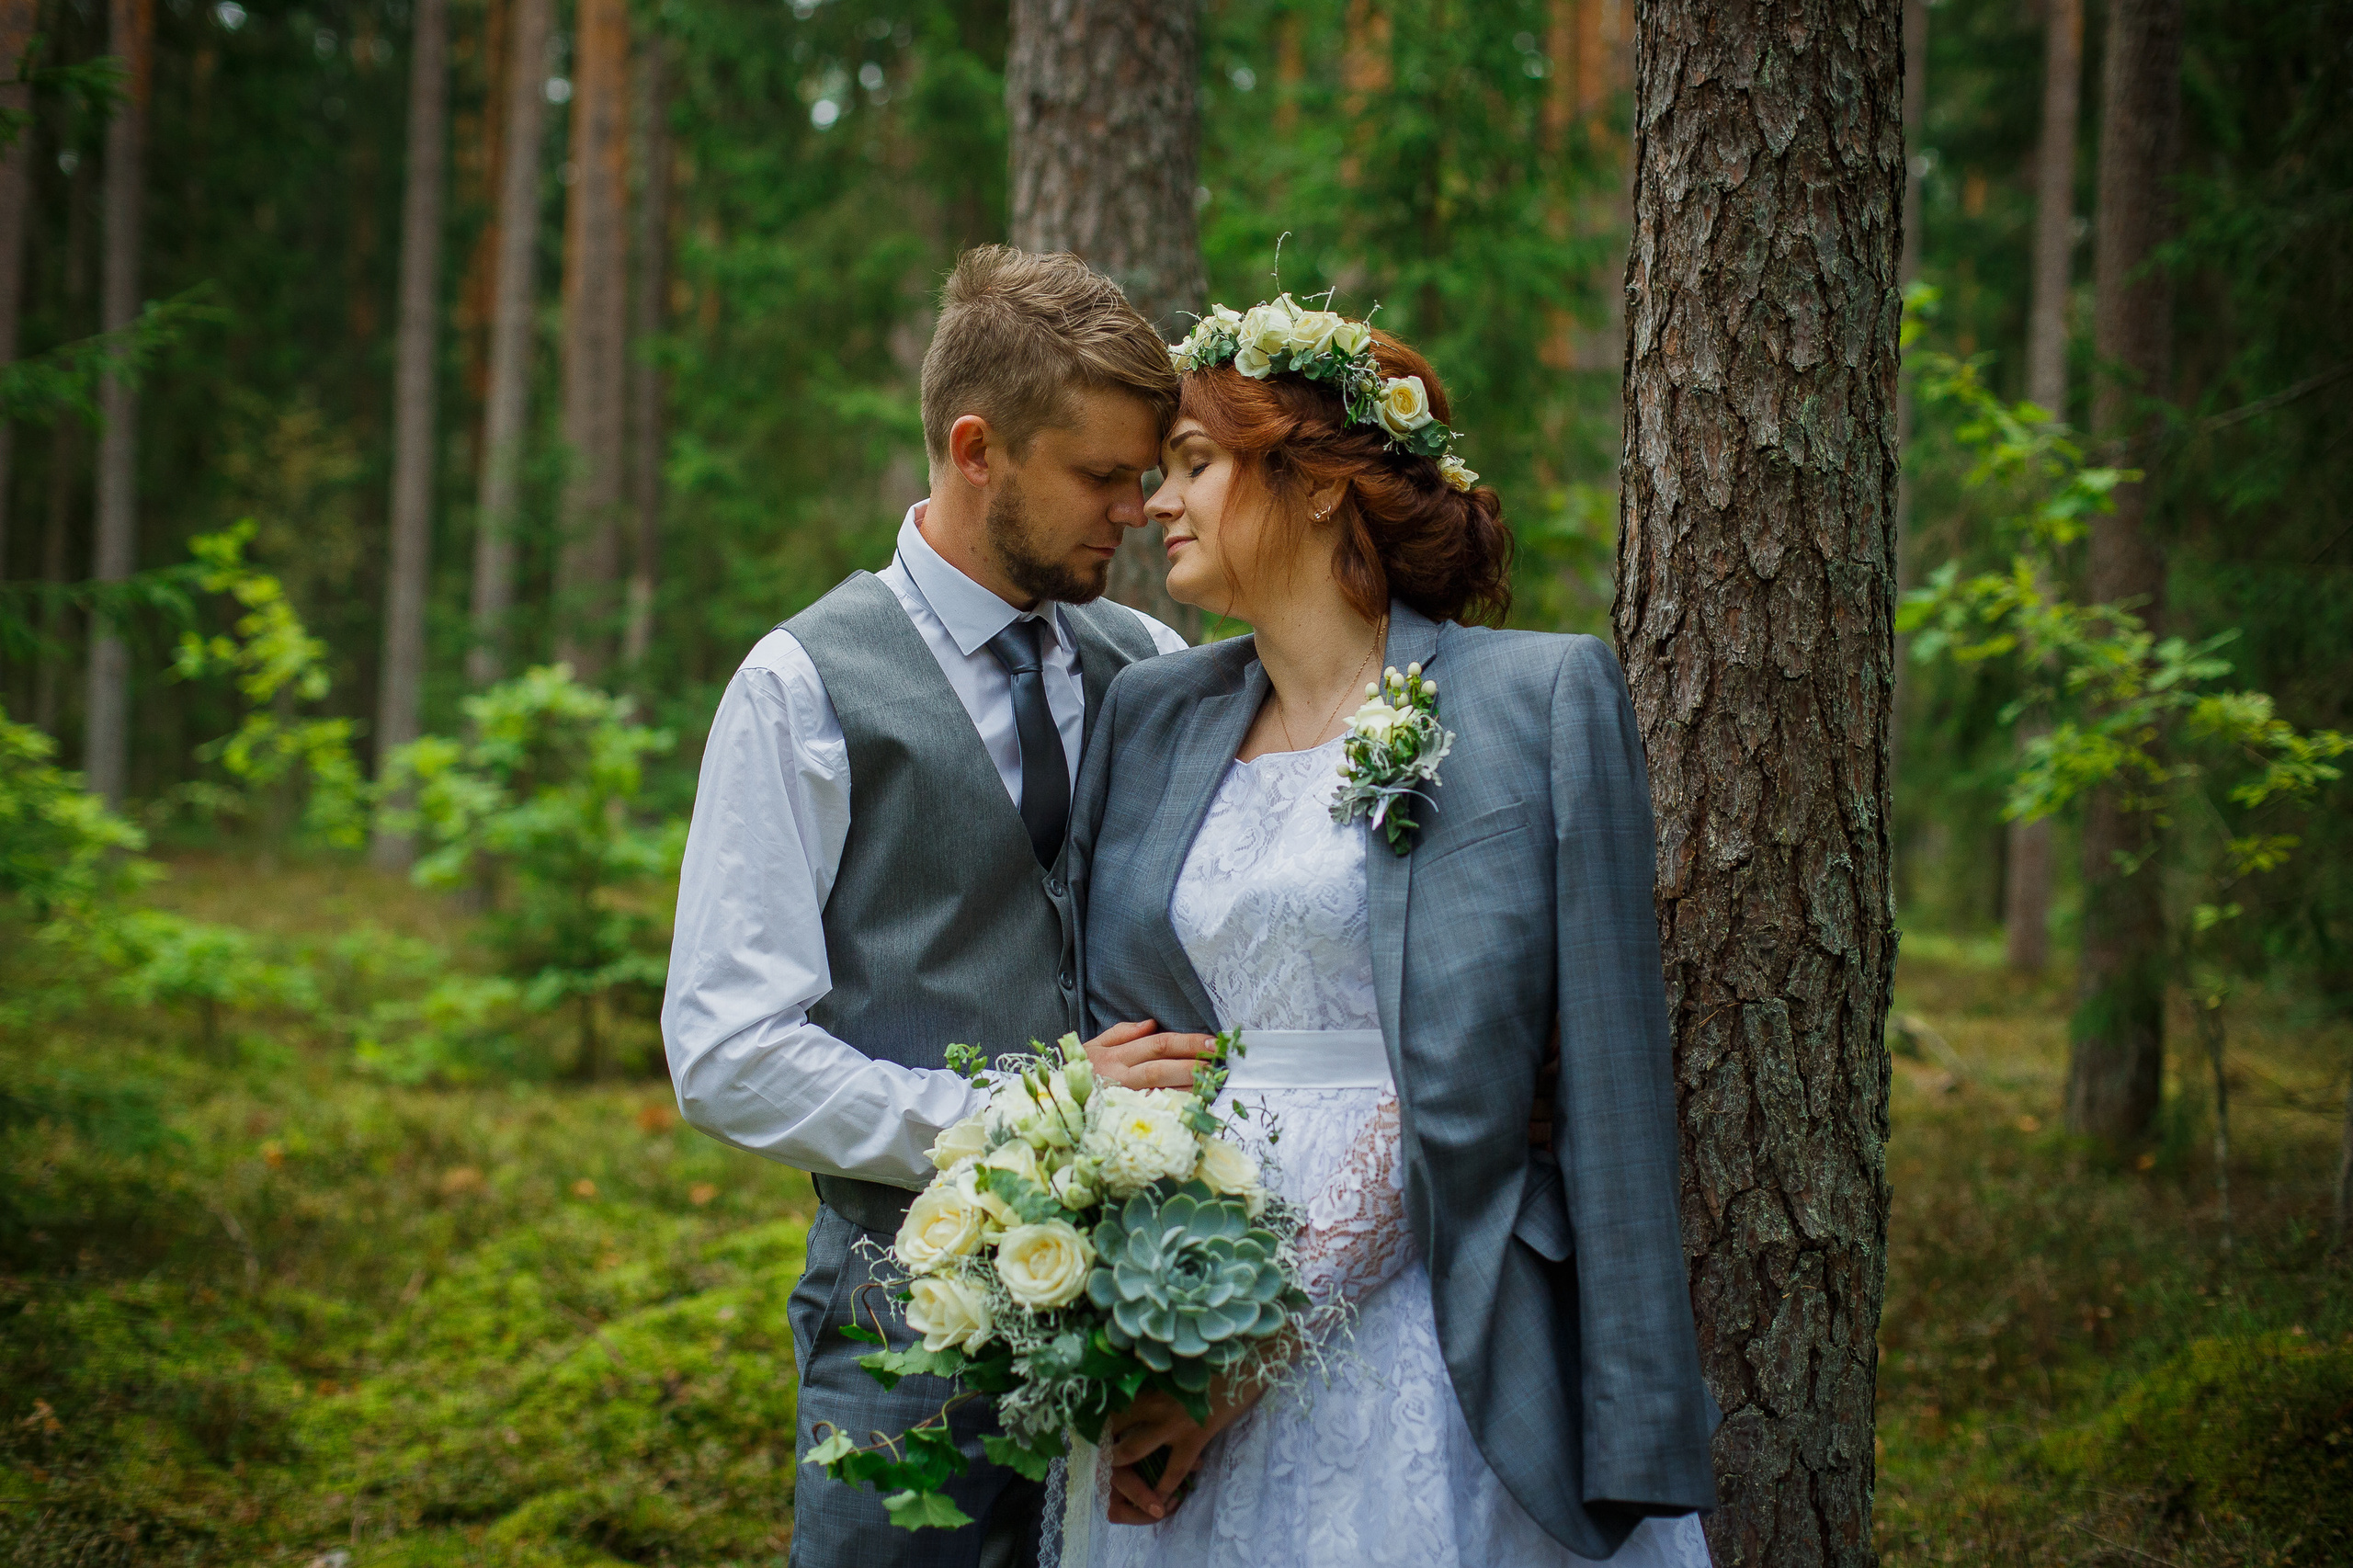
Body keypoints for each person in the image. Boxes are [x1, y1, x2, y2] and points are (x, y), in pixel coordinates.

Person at [1060, 304, 1719, 1565]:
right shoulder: (1149, 714)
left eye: (1195, 462)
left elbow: (1609, 1079)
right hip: (1186, 1282)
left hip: (1442, 1301)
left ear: (1315, 487)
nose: (1157, 504)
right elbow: (1117, 1021)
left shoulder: (1536, 701)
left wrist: (1256, 1350)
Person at [663, 245, 1216, 1568]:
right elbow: (724, 1049)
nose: (1135, 511)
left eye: (1147, 476)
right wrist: (1017, 1118)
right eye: (1099, 475)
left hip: (1152, 1328)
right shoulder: (799, 685)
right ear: (977, 449)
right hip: (901, 1328)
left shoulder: (1148, 664)